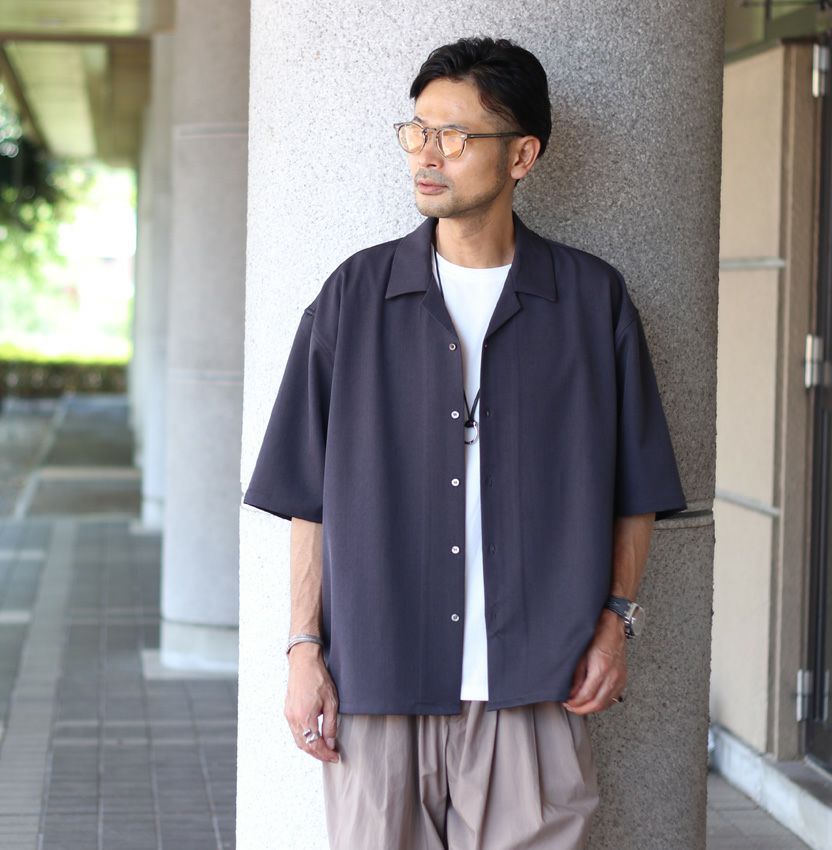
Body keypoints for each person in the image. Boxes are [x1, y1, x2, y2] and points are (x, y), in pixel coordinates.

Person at [243, 35, 686, 850]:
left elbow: (637, 488)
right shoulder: (355, 297)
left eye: (454, 135)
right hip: (379, 677)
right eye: (417, 131)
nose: (427, 154)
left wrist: (617, 620)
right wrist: (304, 649)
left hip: (537, 681)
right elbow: (307, 497)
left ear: (521, 155)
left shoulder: (591, 302)